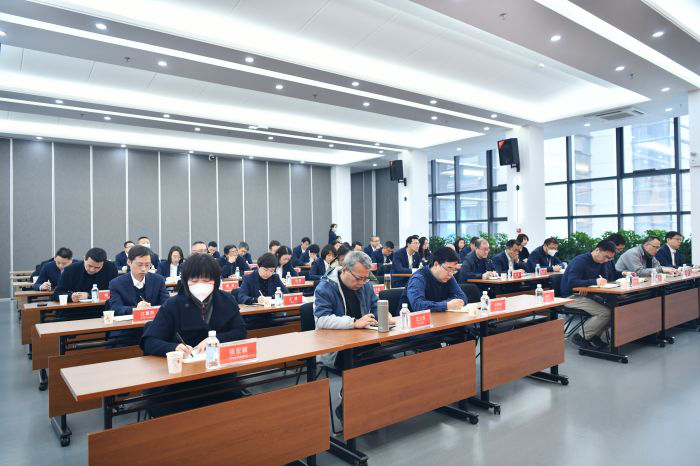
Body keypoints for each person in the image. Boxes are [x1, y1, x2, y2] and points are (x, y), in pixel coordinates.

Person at [139, 253, 246, 417]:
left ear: (216, 281)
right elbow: (149, 341)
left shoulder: (227, 299)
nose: (200, 286)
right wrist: (174, 347)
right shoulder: (173, 304)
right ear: (185, 281)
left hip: (217, 373)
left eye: (206, 280)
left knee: (234, 406)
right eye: (194, 281)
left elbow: (240, 331)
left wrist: (216, 340)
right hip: (180, 379)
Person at [314, 251, 385, 369]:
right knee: (368, 371)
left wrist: (384, 315)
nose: (361, 283)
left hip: (364, 341)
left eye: (365, 278)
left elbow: (375, 306)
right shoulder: (325, 287)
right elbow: (321, 320)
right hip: (337, 348)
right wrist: (354, 323)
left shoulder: (366, 285)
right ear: (345, 270)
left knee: (392, 363)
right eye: (358, 278)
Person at [561, 240, 629, 349]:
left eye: (610, 259)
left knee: (615, 310)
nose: (606, 260)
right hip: (570, 296)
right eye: (606, 257)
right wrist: (593, 282)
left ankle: (593, 336)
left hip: (587, 294)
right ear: (597, 250)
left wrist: (590, 286)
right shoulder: (580, 261)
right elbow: (572, 282)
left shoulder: (601, 262)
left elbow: (604, 280)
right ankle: (581, 337)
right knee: (605, 313)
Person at [109, 245, 170, 344]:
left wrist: (152, 309)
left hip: (154, 329)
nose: (144, 269)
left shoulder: (158, 280)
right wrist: (136, 309)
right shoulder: (116, 283)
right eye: (140, 265)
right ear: (129, 262)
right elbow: (116, 308)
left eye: (147, 265)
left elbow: (167, 304)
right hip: (127, 331)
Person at [52, 247, 118, 318]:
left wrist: (88, 295)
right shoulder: (70, 270)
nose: (92, 270)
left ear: (103, 263)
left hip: (101, 311)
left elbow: (115, 292)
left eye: (97, 267)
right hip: (74, 312)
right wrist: (71, 296)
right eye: (89, 266)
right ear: (84, 259)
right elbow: (56, 294)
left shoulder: (110, 268)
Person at [399, 247, 466, 313]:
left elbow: (462, 298)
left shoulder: (449, 277)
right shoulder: (418, 278)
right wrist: (446, 305)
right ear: (436, 264)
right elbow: (418, 305)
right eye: (448, 269)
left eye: (453, 270)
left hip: (438, 317)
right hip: (409, 318)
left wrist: (444, 305)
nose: (451, 274)